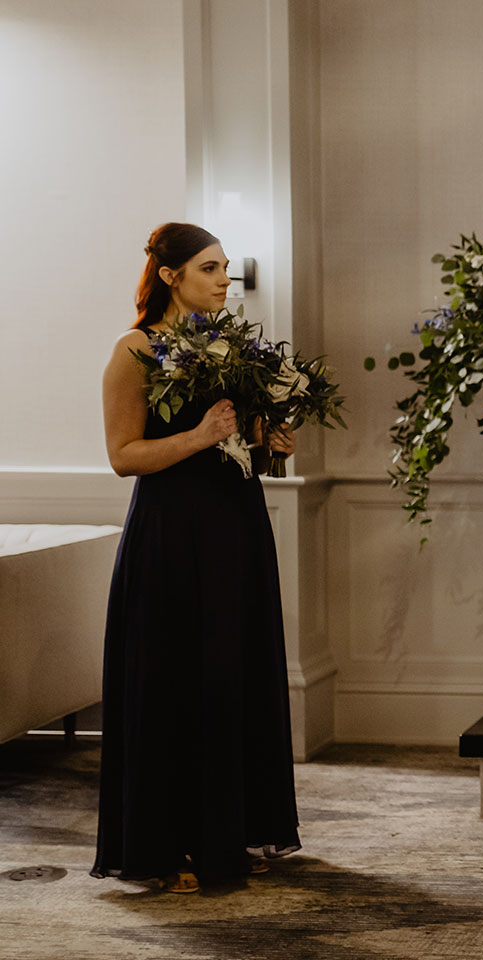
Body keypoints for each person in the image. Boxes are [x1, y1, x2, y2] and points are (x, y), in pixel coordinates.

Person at [92, 222, 301, 893]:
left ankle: (231, 829)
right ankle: (167, 841)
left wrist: (270, 446)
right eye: (211, 268)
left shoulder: (231, 348)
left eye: (226, 270)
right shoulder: (133, 351)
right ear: (172, 274)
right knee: (177, 680)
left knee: (231, 676)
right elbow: (124, 457)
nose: (223, 281)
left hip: (235, 532)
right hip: (171, 539)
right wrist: (201, 433)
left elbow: (236, 453)